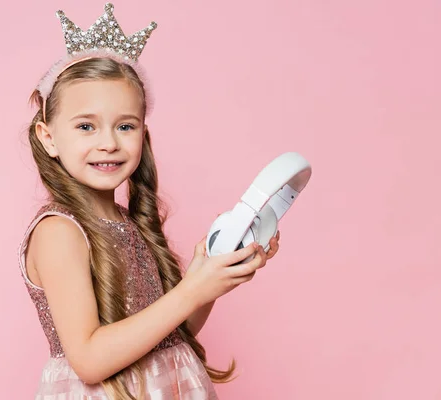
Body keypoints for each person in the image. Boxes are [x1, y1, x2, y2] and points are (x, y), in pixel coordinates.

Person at [17, 3, 280, 399]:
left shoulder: (129, 223)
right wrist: (189, 290)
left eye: (125, 126)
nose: (108, 142)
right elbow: (89, 359)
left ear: (143, 132)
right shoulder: (59, 232)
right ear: (48, 136)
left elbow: (170, 334)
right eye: (86, 126)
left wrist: (211, 277)